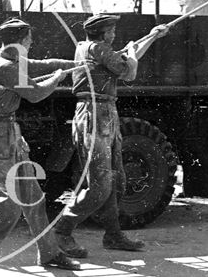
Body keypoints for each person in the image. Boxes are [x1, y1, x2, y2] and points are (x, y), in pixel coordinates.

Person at [0, 18, 88, 272]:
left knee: (33, 199)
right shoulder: (4, 67)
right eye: (29, 39)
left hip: (8, 133)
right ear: (20, 41)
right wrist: (57, 79)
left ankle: (49, 253)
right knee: (8, 207)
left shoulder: (10, 59)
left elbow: (41, 65)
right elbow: (36, 93)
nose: (32, 44)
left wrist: (80, 65)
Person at [54, 14, 169, 258]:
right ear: (102, 33)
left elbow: (125, 56)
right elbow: (128, 70)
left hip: (104, 112)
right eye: (111, 30)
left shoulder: (91, 48)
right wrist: (134, 51)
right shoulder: (98, 49)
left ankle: (113, 234)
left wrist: (153, 37)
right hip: (95, 114)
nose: (114, 34)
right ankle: (62, 231)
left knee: (115, 179)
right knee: (100, 185)